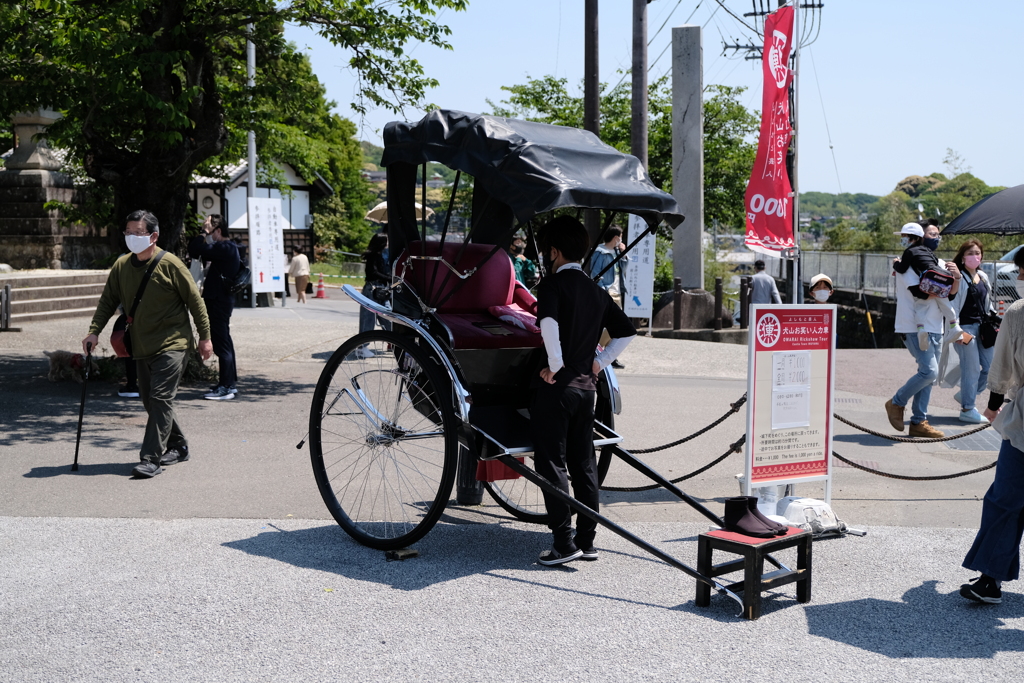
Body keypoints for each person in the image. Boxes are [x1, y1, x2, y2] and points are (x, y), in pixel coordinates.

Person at [531, 215, 637, 566]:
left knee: (552, 463)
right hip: (586, 389)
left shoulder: (552, 286)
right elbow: (626, 332)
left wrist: (555, 364)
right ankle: (587, 540)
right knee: (584, 464)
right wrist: (600, 361)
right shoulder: (596, 289)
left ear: (556, 252)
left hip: (558, 388)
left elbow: (548, 324)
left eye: (548, 251)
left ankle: (563, 543)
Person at [82, 210, 212, 479]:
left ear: (153, 236)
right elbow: (107, 301)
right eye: (128, 232)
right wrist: (94, 332)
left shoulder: (171, 264)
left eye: (137, 233)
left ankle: (151, 458)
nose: (131, 237)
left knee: (160, 397)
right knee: (151, 402)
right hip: (141, 344)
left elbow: (195, 302)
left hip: (173, 343)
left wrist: (205, 337)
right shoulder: (121, 266)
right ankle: (178, 445)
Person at [959, 248, 1024, 605]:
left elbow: (1001, 369)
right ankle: (990, 576)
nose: (1020, 277)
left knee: (1005, 500)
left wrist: (994, 405)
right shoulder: (1017, 313)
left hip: (1022, 422)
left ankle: (990, 578)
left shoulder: (1018, 313)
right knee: (1005, 498)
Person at [884, 222, 962, 438]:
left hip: (935, 325)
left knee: (928, 375)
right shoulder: (908, 262)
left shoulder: (937, 262)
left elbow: (951, 294)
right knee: (929, 372)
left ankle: (919, 421)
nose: (935, 237)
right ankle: (896, 403)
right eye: (931, 234)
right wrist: (942, 286)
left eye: (938, 234)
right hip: (914, 325)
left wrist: (956, 277)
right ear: (922, 236)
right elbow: (923, 291)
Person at [892, 222, 968, 349]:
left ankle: (921, 328)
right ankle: (955, 326)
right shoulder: (929, 252)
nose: (903, 238)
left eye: (905, 236)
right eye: (932, 234)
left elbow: (902, 268)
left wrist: (896, 263)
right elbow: (934, 263)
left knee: (920, 304)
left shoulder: (909, 252)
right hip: (941, 279)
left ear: (913, 237)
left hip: (927, 283)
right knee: (946, 304)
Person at [188, 214, 240, 400]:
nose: (209, 236)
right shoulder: (230, 247)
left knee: (221, 344)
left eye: (211, 231)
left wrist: (203, 232)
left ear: (218, 231)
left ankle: (227, 386)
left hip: (218, 302)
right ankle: (228, 382)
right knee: (225, 341)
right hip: (222, 301)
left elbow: (194, 249)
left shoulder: (223, 247)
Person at [950, 239, 995, 424]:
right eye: (970, 253)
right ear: (962, 257)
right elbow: (950, 304)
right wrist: (956, 331)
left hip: (982, 328)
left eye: (977, 253)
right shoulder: (957, 277)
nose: (974, 257)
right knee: (971, 369)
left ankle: (967, 394)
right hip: (965, 328)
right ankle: (967, 409)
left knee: (991, 368)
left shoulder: (983, 276)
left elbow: (988, 303)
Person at [359, 233, 391, 334]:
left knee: (388, 316)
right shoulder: (372, 256)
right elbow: (373, 273)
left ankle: (397, 342)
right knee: (368, 318)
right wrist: (389, 278)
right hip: (372, 288)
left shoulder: (382, 255)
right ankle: (362, 347)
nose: (388, 243)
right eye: (386, 241)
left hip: (382, 289)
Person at [589, 226, 628, 300]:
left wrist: (623, 254)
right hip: (607, 292)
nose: (621, 240)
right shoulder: (600, 252)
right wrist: (603, 290)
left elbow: (623, 268)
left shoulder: (617, 251)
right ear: (616, 238)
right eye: (620, 237)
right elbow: (595, 273)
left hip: (617, 292)